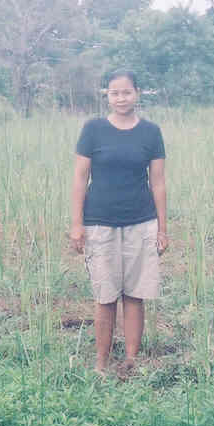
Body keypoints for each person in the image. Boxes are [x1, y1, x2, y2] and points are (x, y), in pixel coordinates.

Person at [70, 70, 167, 374]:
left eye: (126, 92)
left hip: (141, 222)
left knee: (135, 295)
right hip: (100, 223)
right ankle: (101, 364)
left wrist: (163, 229)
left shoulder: (151, 133)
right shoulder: (93, 130)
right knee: (105, 296)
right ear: (107, 96)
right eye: (115, 93)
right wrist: (77, 224)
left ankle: (130, 362)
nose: (121, 98)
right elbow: (80, 179)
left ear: (137, 93)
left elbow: (158, 183)